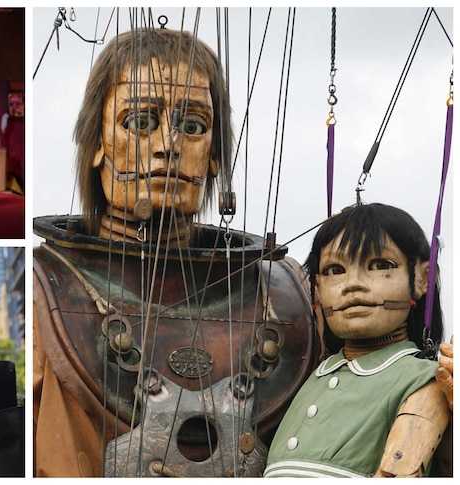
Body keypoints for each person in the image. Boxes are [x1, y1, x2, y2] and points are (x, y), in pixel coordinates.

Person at [33, 27, 318, 477]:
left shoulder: (288, 291)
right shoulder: (41, 288)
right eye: (139, 122)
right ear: (96, 146)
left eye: (193, 126)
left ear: (214, 156)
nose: (168, 144)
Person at [264, 203, 452, 478]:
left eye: (380, 265)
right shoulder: (303, 374)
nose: (353, 283)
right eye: (335, 269)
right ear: (317, 288)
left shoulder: (427, 380)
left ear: (422, 278)